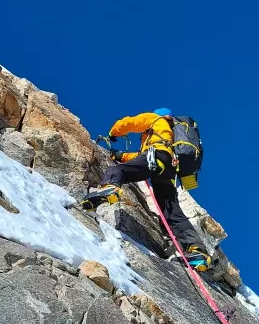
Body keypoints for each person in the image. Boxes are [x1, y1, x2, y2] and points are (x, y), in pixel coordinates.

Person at [83, 108, 211, 272]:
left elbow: (129, 123)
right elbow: (142, 156)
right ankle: (197, 251)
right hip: (168, 169)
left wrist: (113, 133)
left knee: (118, 171)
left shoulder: (154, 119)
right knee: (171, 212)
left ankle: (111, 188)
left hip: (156, 157)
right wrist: (121, 155)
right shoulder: (170, 133)